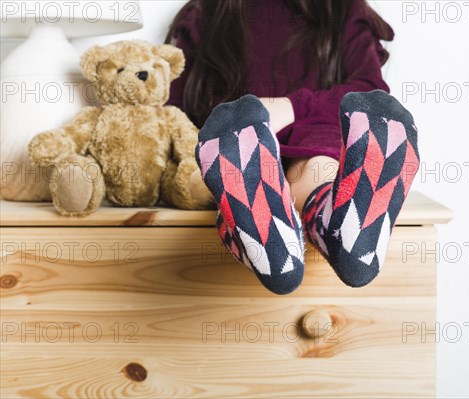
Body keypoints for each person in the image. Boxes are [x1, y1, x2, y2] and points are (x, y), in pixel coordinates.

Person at [167, 0, 419, 294]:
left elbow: (366, 94)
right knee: (222, 174)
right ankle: (338, 234)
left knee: (315, 166)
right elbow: (174, 110)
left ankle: (280, 245)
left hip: (307, 140)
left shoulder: (342, 9)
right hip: (237, 148)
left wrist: (290, 107)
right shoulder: (203, 14)